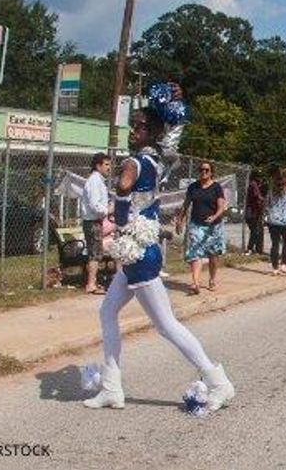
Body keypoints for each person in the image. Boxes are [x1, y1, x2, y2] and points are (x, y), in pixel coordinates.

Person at [84, 90, 234, 412]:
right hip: (137, 253)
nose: (132, 131)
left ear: (152, 132)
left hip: (139, 255)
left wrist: (119, 208)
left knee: (167, 325)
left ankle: (218, 381)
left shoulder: (134, 162)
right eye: (131, 125)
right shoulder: (156, 161)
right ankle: (112, 387)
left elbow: (124, 191)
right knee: (107, 311)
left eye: (138, 126)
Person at [178, 161, 228, 294]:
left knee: (213, 255)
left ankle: (212, 279)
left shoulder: (216, 187)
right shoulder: (193, 187)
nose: (203, 172)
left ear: (211, 172)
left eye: (206, 170)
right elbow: (186, 204)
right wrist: (180, 220)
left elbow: (221, 206)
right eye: (201, 170)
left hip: (214, 226)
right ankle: (195, 283)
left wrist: (215, 216)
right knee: (195, 252)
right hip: (196, 224)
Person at [79, 152, 111, 295]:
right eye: (106, 164)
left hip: (96, 221)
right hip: (92, 221)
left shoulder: (99, 181)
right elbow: (94, 204)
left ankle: (92, 282)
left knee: (96, 253)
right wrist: (107, 210)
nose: (109, 168)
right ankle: (91, 284)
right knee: (95, 254)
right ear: (98, 166)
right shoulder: (94, 181)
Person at [265, 168, 286, 276]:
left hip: (273, 220)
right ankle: (284, 265)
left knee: (274, 244)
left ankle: (275, 268)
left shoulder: (271, 189)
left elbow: (267, 203)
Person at [244, 175, 265, 255]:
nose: (259, 179)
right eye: (258, 176)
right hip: (252, 213)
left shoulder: (253, 184)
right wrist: (263, 201)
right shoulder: (253, 184)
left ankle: (257, 249)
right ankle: (251, 249)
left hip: (254, 212)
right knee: (255, 231)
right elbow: (257, 197)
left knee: (256, 231)